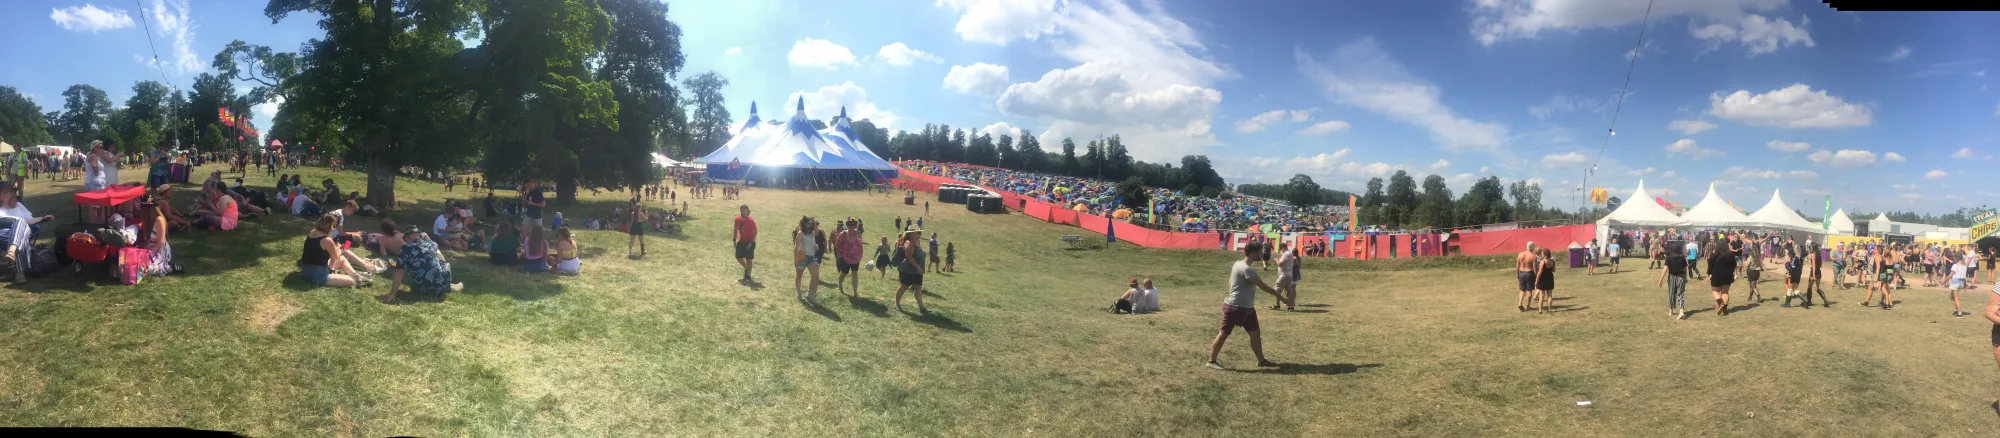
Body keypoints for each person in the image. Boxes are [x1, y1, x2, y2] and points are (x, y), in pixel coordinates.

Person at [1206, 240, 1291, 370]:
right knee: (1224, 333)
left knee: (1255, 333)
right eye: (1260, 252)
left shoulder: (1237, 264)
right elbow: (1264, 287)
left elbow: (1230, 280)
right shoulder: (1247, 269)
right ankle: (1211, 361)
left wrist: (1232, 293)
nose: (1262, 254)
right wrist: (1283, 300)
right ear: (1253, 253)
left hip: (1247, 308)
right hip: (1235, 307)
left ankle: (1261, 361)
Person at [382, 226, 459, 303]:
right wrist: (425, 235)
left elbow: (399, 272)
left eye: (404, 239)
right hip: (443, 285)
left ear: (408, 237)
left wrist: (393, 293)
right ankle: (447, 283)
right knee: (438, 254)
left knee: (412, 265)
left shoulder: (406, 249)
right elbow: (435, 245)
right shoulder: (427, 244)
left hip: (424, 289)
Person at [0, 184, 54, 284]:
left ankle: (12, 250)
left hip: (22, 230)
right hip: (3, 233)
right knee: (22, 235)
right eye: (3, 192)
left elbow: (30, 220)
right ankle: (20, 273)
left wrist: (43, 218)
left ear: (12, 193)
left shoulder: (19, 206)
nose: (5, 194)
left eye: (8, 192)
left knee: (21, 223)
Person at [302, 214, 361, 288]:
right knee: (351, 281)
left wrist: (337, 248)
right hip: (318, 275)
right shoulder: (327, 240)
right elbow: (336, 258)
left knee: (342, 259)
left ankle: (357, 276)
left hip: (306, 269)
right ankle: (355, 278)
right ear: (328, 226)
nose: (333, 229)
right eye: (333, 226)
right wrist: (339, 249)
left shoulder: (312, 232)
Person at [792, 217, 826, 304]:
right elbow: (796, 248)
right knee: (799, 276)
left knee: (816, 276)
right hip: (801, 256)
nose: (810, 225)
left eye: (811, 223)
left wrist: (816, 246)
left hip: (811, 256)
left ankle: (811, 295)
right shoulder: (800, 233)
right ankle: (798, 292)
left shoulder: (813, 233)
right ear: (804, 223)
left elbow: (813, 244)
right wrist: (796, 260)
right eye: (808, 223)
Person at [894, 230, 928, 314]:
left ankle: (921, 307)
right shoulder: (909, 243)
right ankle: (897, 304)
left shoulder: (916, 242)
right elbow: (909, 257)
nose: (920, 234)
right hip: (908, 271)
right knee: (903, 287)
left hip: (916, 271)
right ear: (912, 234)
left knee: (918, 287)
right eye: (918, 232)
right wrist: (918, 267)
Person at [834, 219, 865, 298]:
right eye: (850, 225)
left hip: (855, 258)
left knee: (854, 273)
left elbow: (860, 244)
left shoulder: (858, 233)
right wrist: (839, 256)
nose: (851, 227)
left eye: (853, 225)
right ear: (847, 226)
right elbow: (837, 245)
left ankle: (855, 292)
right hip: (845, 258)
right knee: (843, 274)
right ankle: (840, 284)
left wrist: (861, 254)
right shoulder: (843, 234)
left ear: (856, 226)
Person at [1658, 243, 1689, 320]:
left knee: (1671, 293)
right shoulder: (1682, 258)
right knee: (1680, 294)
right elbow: (1685, 269)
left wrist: (1660, 279)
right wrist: (1686, 277)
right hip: (1681, 277)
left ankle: (1671, 310)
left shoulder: (1668, 258)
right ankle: (1681, 311)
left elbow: (1665, 269)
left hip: (1672, 277)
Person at [1708, 236, 1738, 316]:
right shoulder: (1731, 254)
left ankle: (1720, 304)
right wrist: (1731, 273)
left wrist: (1708, 274)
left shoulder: (1714, 254)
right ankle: (1725, 309)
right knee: (1725, 292)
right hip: (1728, 275)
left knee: (1715, 291)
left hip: (1716, 274)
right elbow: (1734, 265)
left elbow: (1710, 266)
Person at [1271, 242, 1298, 312]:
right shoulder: (1290, 254)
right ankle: (1291, 306)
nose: (1280, 251)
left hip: (1283, 275)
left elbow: (1279, 263)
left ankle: (1277, 304)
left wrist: (1276, 259)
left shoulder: (1285, 254)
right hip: (1289, 275)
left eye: (1281, 249)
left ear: (1283, 248)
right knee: (1289, 291)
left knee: (1277, 290)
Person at [733, 205, 757, 283]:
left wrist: (752, 241)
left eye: (744, 210)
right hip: (742, 241)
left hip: (750, 242)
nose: (743, 211)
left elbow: (755, 231)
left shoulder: (751, 220)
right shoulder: (738, 219)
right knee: (738, 256)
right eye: (741, 210)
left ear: (748, 211)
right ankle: (746, 268)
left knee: (749, 258)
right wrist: (734, 240)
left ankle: (748, 275)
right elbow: (736, 229)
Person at [1515, 242, 1538, 312]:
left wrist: (1517, 274)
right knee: (1529, 291)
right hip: (1529, 273)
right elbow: (1534, 268)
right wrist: (1537, 276)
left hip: (1521, 272)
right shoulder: (1533, 256)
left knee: (1522, 290)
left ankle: (1519, 303)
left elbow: (1517, 266)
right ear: (1533, 248)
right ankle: (1528, 306)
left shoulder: (1520, 254)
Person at [1536, 248, 1557, 313]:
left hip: (1543, 278)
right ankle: (1549, 309)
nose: (1541, 255)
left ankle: (1540, 310)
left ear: (1544, 254)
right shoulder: (1552, 261)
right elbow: (1553, 270)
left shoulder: (1543, 261)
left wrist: (1537, 280)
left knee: (1542, 295)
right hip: (1550, 277)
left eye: (1542, 253)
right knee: (1549, 295)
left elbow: (1539, 272)